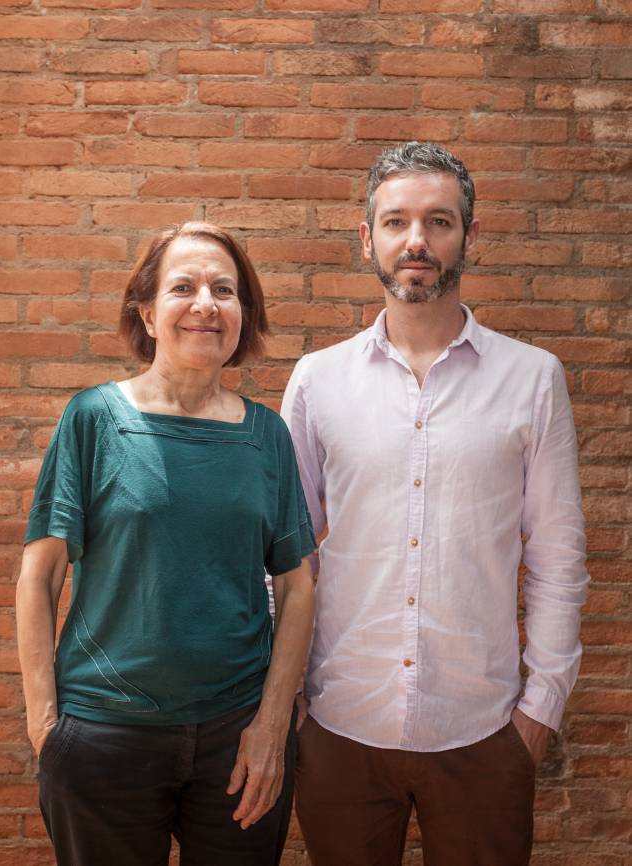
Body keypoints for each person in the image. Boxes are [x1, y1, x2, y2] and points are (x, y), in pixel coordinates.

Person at [281, 142, 589, 866]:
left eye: (438, 222)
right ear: (368, 239)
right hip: (339, 724)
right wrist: (287, 700)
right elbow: (282, 554)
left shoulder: (533, 379)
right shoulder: (317, 381)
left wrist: (539, 711)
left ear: (469, 237)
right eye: (395, 222)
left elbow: (557, 556)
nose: (415, 240)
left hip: (482, 732)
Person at [16, 221, 316, 866]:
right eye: (184, 287)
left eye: (225, 290)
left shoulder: (266, 435)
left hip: (237, 741)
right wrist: (47, 725)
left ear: (243, 314)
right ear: (148, 313)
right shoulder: (94, 419)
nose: (206, 303)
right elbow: (38, 577)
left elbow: (297, 587)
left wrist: (270, 727)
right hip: (105, 732)